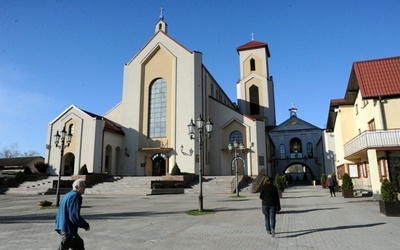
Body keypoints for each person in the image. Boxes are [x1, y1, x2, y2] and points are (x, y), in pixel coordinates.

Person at [55, 179, 90, 250]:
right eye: (83, 186)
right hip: (68, 230)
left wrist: (57, 227)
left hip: (66, 228)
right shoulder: (76, 196)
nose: (84, 188)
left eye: (85, 186)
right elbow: (74, 216)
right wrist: (85, 225)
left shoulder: (67, 195)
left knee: (79, 244)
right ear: (76, 187)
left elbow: (60, 211)